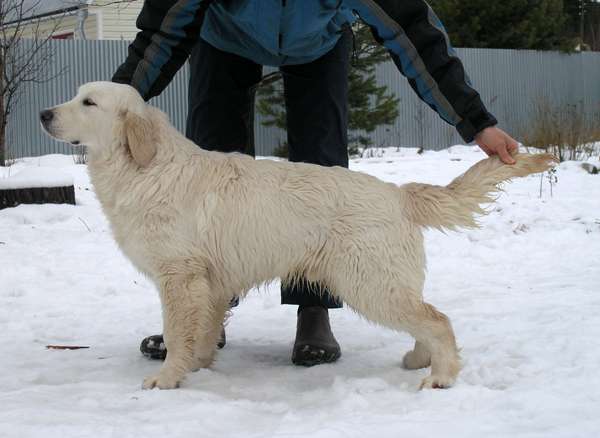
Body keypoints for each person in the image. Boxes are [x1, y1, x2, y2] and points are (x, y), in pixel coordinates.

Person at [112, 0, 519, 367]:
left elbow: (410, 31)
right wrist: (114, 106)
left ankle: (314, 309)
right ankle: (199, 318)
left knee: (323, 175)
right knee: (209, 177)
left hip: (318, 44)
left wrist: (476, 121)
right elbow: (163, 30)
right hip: (223, 40)